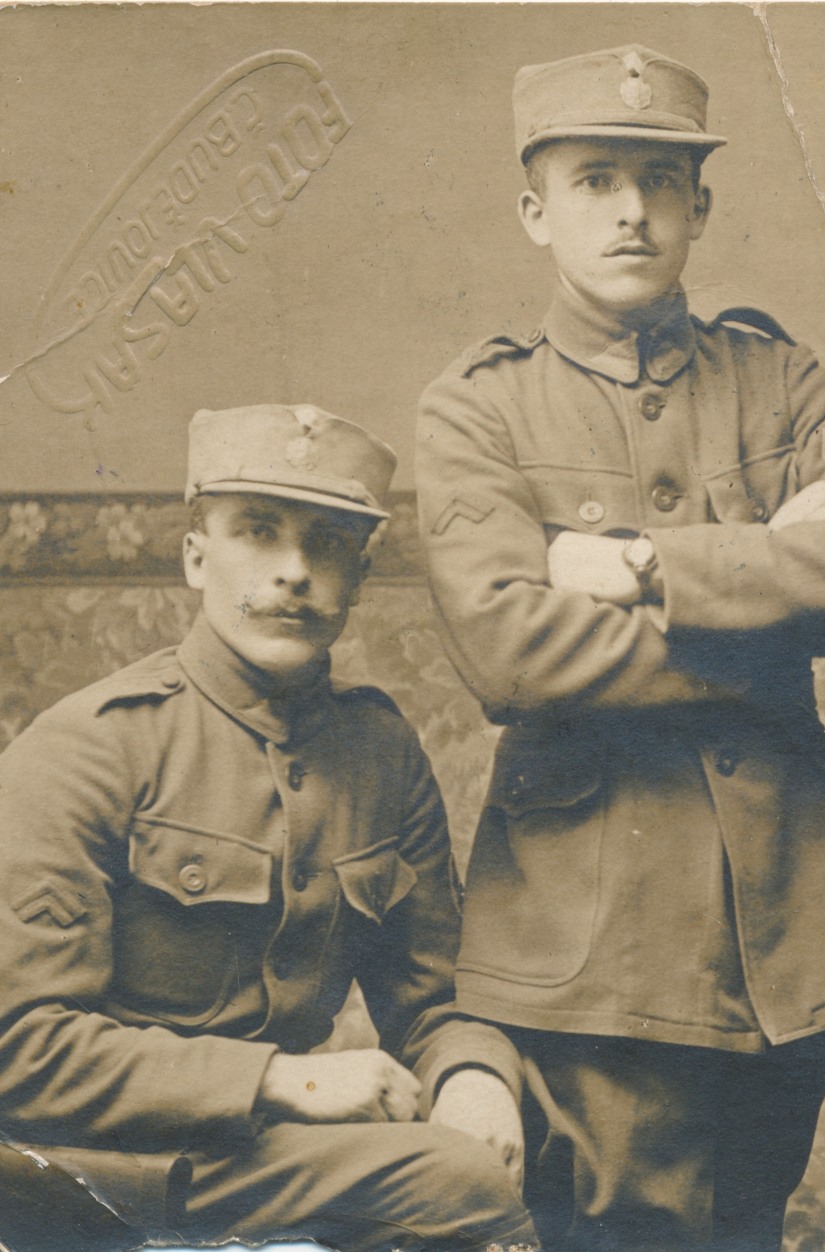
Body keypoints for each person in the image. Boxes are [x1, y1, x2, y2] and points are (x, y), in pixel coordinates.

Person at [415, 42, 825, 1250]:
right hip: (590, 948)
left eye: (660, 180)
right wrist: (769, 587)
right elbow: (508, 649)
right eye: (596, 179)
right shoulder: (480, 406)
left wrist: (646, 567)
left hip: (777, 936)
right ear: (535, 211)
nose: (632, 211)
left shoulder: (776, 376)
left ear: (700, 204)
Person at [0, 404, 537, 1251]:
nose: (294, 572)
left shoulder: (378, 749)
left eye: (327, 543)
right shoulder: (91, 743)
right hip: (83, 1166)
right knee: (454, 1185)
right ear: (195, 556)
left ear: (359, 576)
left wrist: (473, 1075)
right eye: (258, 532)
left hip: (258, 1159)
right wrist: (281, 1079)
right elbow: (18, 1048)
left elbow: (433, 1000)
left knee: (525, 1148)